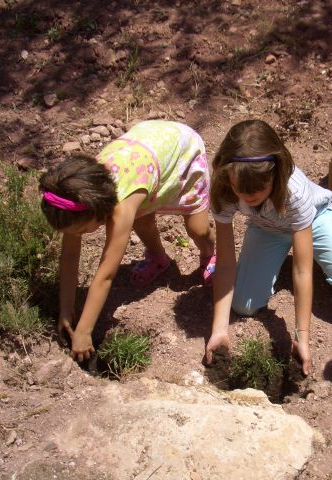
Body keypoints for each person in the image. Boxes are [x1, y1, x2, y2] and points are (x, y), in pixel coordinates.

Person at [204, 119, 332, 375]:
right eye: (242, 191)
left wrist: (301, 337)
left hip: (313, 221)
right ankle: (278, 261)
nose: (249, 197)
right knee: (244, 306)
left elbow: (302, 271)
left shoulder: (294, 191)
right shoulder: (223, 190)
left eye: (258, 190)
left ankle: (307, 256)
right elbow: (225, 262)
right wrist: (219, 330)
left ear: (276, 174)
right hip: (266, 229)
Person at [40, 120, 215, 362]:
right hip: (146, 154)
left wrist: (84, 330)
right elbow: (69, 256)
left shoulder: (121, 207)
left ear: (97, 211)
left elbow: (106, 274)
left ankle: (210, 253)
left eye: (81, 231)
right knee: (142, 218)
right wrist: (66, 309)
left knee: (197, 228)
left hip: (180, 150)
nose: (76, 236)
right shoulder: (78, 197)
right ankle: (158, 258)